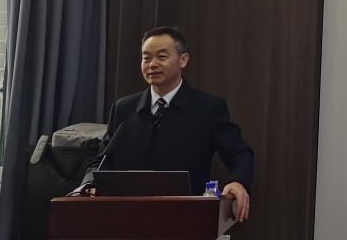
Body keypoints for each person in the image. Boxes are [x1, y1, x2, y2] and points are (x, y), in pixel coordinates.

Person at [101, 26, 253, 221]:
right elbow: (102, 160)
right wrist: (88, 184)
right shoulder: (123, 108)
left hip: (185, 218)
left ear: (183, 60)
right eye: (146, 58)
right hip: (125, 216)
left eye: (161, 57)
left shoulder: (208, 108)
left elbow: (240, 154)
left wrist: (238, 182)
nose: (152, 64)